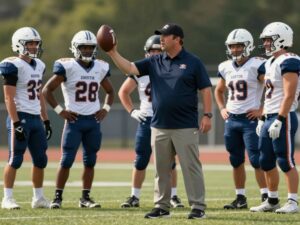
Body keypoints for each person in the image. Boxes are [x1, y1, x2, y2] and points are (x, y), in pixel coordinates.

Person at [106, 23, 212, 219]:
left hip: (185, 125)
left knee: (191, 167)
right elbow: (129, 67)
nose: (161, 39)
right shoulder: (155, 61)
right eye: (160, 36)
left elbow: (206, 89)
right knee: (161, 169)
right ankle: (162, 206)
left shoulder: (193, 62)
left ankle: (198, 207)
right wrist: (113, 52)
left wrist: (207, 115)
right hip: (159, 125)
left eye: (165, 35)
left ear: (178, 39)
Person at [42, 30, 114, 209]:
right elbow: (46, 90)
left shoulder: (100, 67)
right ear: (75, 48)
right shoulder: (67, 66)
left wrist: (105, 108)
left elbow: (111, 92)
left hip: (93, 122)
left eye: (91, 47)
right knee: (66, 160)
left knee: (90, 161)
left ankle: (85, 198)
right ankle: (57, 197)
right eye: (84, 47)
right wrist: (60, 110)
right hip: (74, 121)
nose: (88, 50)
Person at [118, 35, 184, 209]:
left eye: (158, 51)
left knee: (170, 162)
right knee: (141, 159)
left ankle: (174, 196)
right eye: (151, 51)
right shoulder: (140, 72)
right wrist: (132, 111)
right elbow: (123, 92)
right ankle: (134, 196)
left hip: (166, 120)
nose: (155, 54)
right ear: (147, 53)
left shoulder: (172, 69)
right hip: (147, 119)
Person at [214, 28, 268, 210]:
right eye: (232, 46)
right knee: (235, 160)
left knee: (256, 159)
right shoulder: (225, 66)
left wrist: (263, 109)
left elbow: (272, 87)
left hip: (249, 120)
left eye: (238, 46)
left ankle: (266, 196)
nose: (235, 49)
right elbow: (218, 90)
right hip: (232, 120)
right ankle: (240, 198)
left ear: (248, 46)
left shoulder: (258, 64)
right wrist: (222, 108)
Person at [250, 22, 300, 213]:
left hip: (283, 117)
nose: (266, 44)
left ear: (281, 39)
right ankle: (272, 200)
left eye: (269, 40)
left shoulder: (289, 60)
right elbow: (269, 94)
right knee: (266, 161)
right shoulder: (270, 62)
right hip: (269, 116)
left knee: (285, 160)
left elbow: (289, 94)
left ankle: (293, 202)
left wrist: (280, 118)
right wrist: (263, 118)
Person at [0, 27, 52, 209]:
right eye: (29, 43)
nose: (33, 47)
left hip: (35, 117)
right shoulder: (12, 65)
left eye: (35, 43)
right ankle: (7, 198)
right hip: (20, 116)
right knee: (15, 159)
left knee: (40, 159)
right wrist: (15, 123)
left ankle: (38, 198)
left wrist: (45, 119)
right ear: (19, 44)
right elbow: (9, 97)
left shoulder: (40, 65)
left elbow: (39, 94)